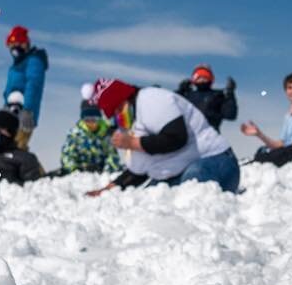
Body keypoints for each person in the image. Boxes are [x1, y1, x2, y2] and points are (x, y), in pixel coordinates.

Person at [83, 77, 240, 194]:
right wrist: (109, 189)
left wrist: (133, 143)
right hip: (183, 170)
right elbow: (139, 170)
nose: (118, 117)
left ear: (126, 99)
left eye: (118, 109)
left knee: (190, 190)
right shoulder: (137, 126)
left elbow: (176, 138)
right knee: (150, 199)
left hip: (216, 162)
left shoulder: (152, 99)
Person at [3, 25, 48, 149]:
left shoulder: (34, 61)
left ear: (25, 44)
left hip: (24, 113)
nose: (14, 48)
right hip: (11, 112)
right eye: (11, 45)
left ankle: (34, 169)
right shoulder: (16, 65)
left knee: (16, 148)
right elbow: (9, 90)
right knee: (9, 147)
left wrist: (28, 110)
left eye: (18, 43)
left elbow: (33, 85)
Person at [58, 100, 122, 175]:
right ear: (83, 119)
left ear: (99, 118)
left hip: (101, 172)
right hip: (79, 173)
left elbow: (112, 155)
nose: (91, 123)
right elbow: (67, 155)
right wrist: (74, 171)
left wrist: (107, 172)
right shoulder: (75, 135)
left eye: (94, 120)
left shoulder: (106, 134)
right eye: (87, 120)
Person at [176, 65, 238, 131]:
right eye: (199, 77)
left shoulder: (218, 95)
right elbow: (172, 110)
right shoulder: (187, 95)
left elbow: (230, 115)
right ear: (194, 79)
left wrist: (230, 95)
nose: (202, 80)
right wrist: (180, 92)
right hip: (188, 134)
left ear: (211, 78)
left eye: (205, 77)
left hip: (210, 135)